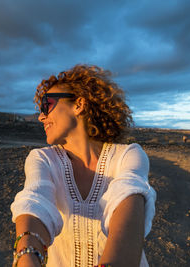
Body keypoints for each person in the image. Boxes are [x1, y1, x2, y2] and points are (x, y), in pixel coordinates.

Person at [10, 64, 156, 267]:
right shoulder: (42, 159)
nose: (41, 116)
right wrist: (27, 256)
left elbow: (128, 202)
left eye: (47, 105)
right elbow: (35, 202)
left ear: (78, 105)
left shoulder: (128, 155)